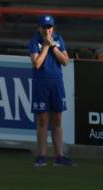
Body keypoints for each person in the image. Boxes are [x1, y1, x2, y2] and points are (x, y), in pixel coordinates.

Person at [29, 15, 73, 167]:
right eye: (45, 27)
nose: (47, 30)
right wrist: (47, 46)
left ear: (52, 27)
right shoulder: (35, 41)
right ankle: (41, 155)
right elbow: (37, 63)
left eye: (49, 27)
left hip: (56, 83)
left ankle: (59, 156)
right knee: (42, 120)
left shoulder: (58, 39)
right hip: (41, 83)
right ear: (39, 28)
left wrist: (53, 46)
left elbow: (65, 61)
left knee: (57, 120)